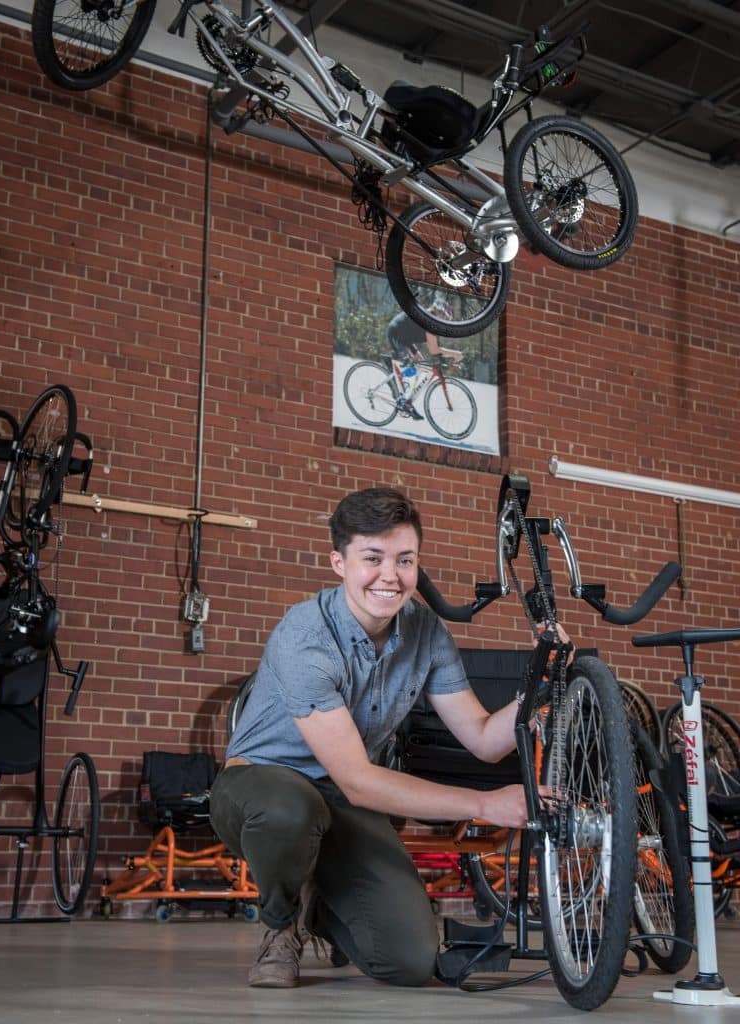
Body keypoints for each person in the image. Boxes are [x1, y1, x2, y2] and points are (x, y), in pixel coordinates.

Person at [209, 488, 558, 990]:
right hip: (260, 788)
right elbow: (358, 781)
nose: (390, 576)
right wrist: (485, 803)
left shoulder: (426, 633)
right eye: (372, 558)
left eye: (405, 560)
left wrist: (541, 683)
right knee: (289, 812)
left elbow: (484, 739)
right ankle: (280, 925)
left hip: (340, 799)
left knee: (409, 961)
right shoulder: (305, 636)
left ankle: (318, 908)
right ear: (339, 562)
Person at [386, 305, 463, 421]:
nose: (446, 325)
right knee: (408, 366)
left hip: (405, 337)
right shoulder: (430, 323)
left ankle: (406, 399)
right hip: (396, 334)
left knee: (420, 365)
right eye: (446, 321)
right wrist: (455, 353)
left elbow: (437, 353)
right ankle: (396, 387)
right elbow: (435, 350)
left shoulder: (432, 320)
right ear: (440, 317)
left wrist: (447, 361)